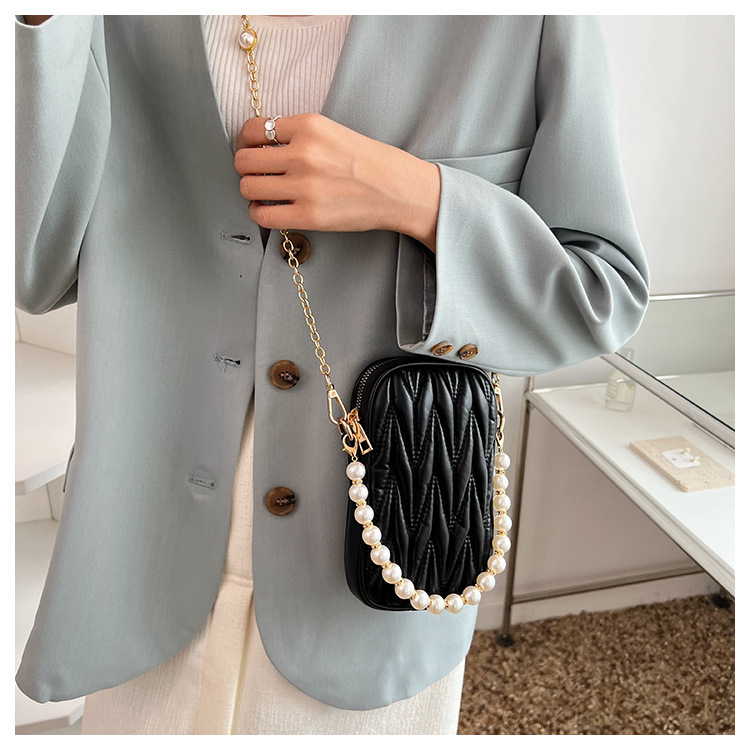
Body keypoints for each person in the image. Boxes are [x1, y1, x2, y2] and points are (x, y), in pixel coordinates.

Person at [15, 14, 649, 735]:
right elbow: (35, 270)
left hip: (374, 564)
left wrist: (415, 196)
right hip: (138, 549)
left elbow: (601, 293)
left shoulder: (523, 21)